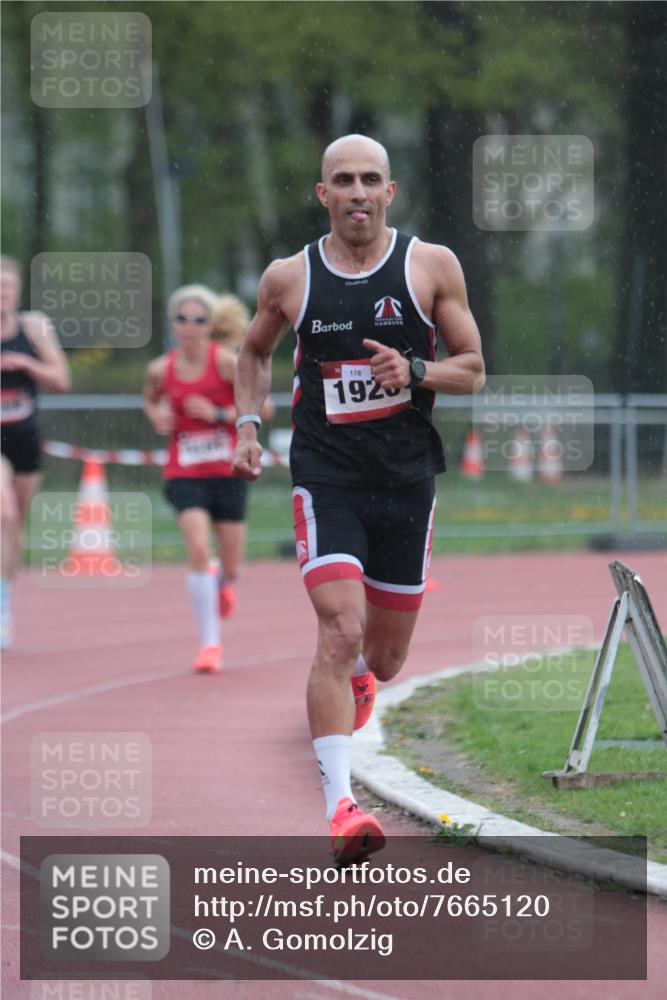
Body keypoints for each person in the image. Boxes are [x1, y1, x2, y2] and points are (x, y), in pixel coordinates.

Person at [233, 134, 485, 863]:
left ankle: (363, 683)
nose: (356, 192)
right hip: (326, 475)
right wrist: (248, 426)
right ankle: (341, 807)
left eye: (369, 179)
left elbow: (472, 371)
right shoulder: (289, 277)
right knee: (338, 633)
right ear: (323, 194)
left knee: (384, 655)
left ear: (389, 191)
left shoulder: (430, 265)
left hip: (406, 478)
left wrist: (412, 370)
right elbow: (253, 352)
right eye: (342, 180)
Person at [143, 285, 272, 674]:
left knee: (231, 568)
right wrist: (156, 415)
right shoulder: (160, 369)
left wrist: (218, 414)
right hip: (184, 472)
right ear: (173, 323)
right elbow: (149, 398)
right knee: (198, 550)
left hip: (227, 471)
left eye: (198, 319)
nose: (189, 326)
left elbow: (265, 405)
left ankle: (222, 581)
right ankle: (210, 644)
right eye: (182, 318)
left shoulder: (227, 363)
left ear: (209, 324)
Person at [0, 256, 71, 648]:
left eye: (6, 287)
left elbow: (62, 380)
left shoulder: (34, 327)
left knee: (12, 526)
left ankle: (4, 595)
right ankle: (1, 611)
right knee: (2, 509)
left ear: (17, 291)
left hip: (25, 439)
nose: (1, 295)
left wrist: (27, 363)